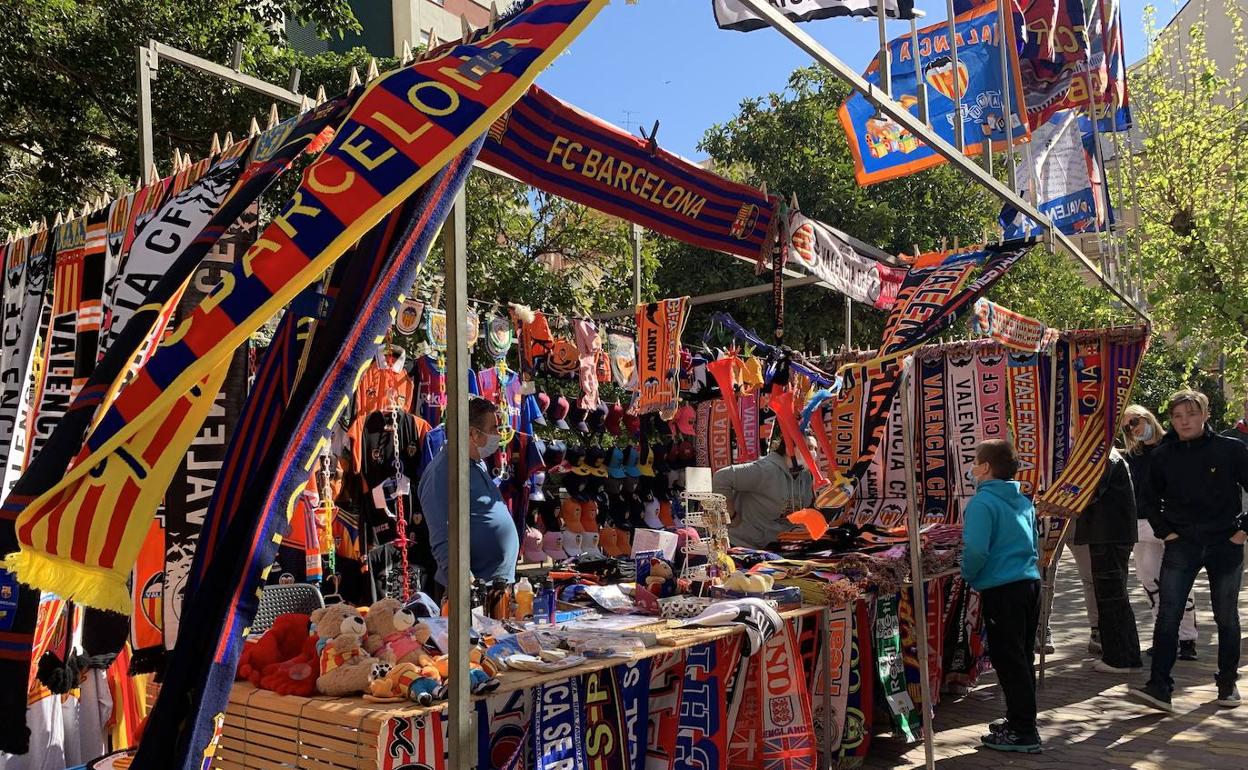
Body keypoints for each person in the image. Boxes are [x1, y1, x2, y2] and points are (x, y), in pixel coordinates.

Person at [1129, 390, 1248, 713]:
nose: (1184, 421)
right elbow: (1149, 501)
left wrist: (1242, 531)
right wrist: (1166, 533)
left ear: (1205, 414)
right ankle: (1159, 686)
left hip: (1226, 543)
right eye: (1178, 416)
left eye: (1191, 414)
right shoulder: (1163, 456)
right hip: (1182, 543)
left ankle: (1227, 683)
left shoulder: (1231, 450)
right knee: (1168, 615)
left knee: (1226, 617)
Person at [961, 439, 1042, 753]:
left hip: (1003, 589)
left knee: (1010, 661)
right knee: (1022, 657)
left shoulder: (983, 503)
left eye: (975, 460)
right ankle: (1020, 719)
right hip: (1028, 584)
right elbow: (1033, 541)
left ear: (985, 467)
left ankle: (1024, 731)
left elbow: (977, 549)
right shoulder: (1022, 499)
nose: (972, 467)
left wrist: (969, 573)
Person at [418, 397, 519, 601]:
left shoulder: (475, 463)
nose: (497, 435)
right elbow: (441, 537)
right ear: (472, 433)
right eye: (492, 429)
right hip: (473, 592)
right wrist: (466, 585)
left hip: (495, 586)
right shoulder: (442, 471)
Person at [1124, 404, 1199, 660]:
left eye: (1134, 422)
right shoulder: (1131, 456)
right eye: (1126, 427)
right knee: (1149, 581)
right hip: (1142, 523)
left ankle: (1187, 638)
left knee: (1179, 582)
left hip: (1173, 523)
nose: (1132, 430)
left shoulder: (1174, 445)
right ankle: (1164, 636)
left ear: (1146, 418)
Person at [1072, 447, 1143, 673]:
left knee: (1112, 596)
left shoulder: (1102, 455)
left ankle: (1122, 658)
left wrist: (1058, 499)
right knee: (1111, 595)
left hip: (1109, 534)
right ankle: (1119, 655)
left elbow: (1087, 493)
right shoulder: (1105, 454)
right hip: (1109, 534)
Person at [712, 433, 816, 549]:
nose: (814, 453)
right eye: (809, 447)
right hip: (739, 544)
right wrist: (731, 516)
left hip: (773, 546)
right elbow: (721, 477)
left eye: (816, 449)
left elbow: (798, 508)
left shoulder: (806, 476)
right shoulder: (767, 470)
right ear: (789, 448)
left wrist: (796, 527)